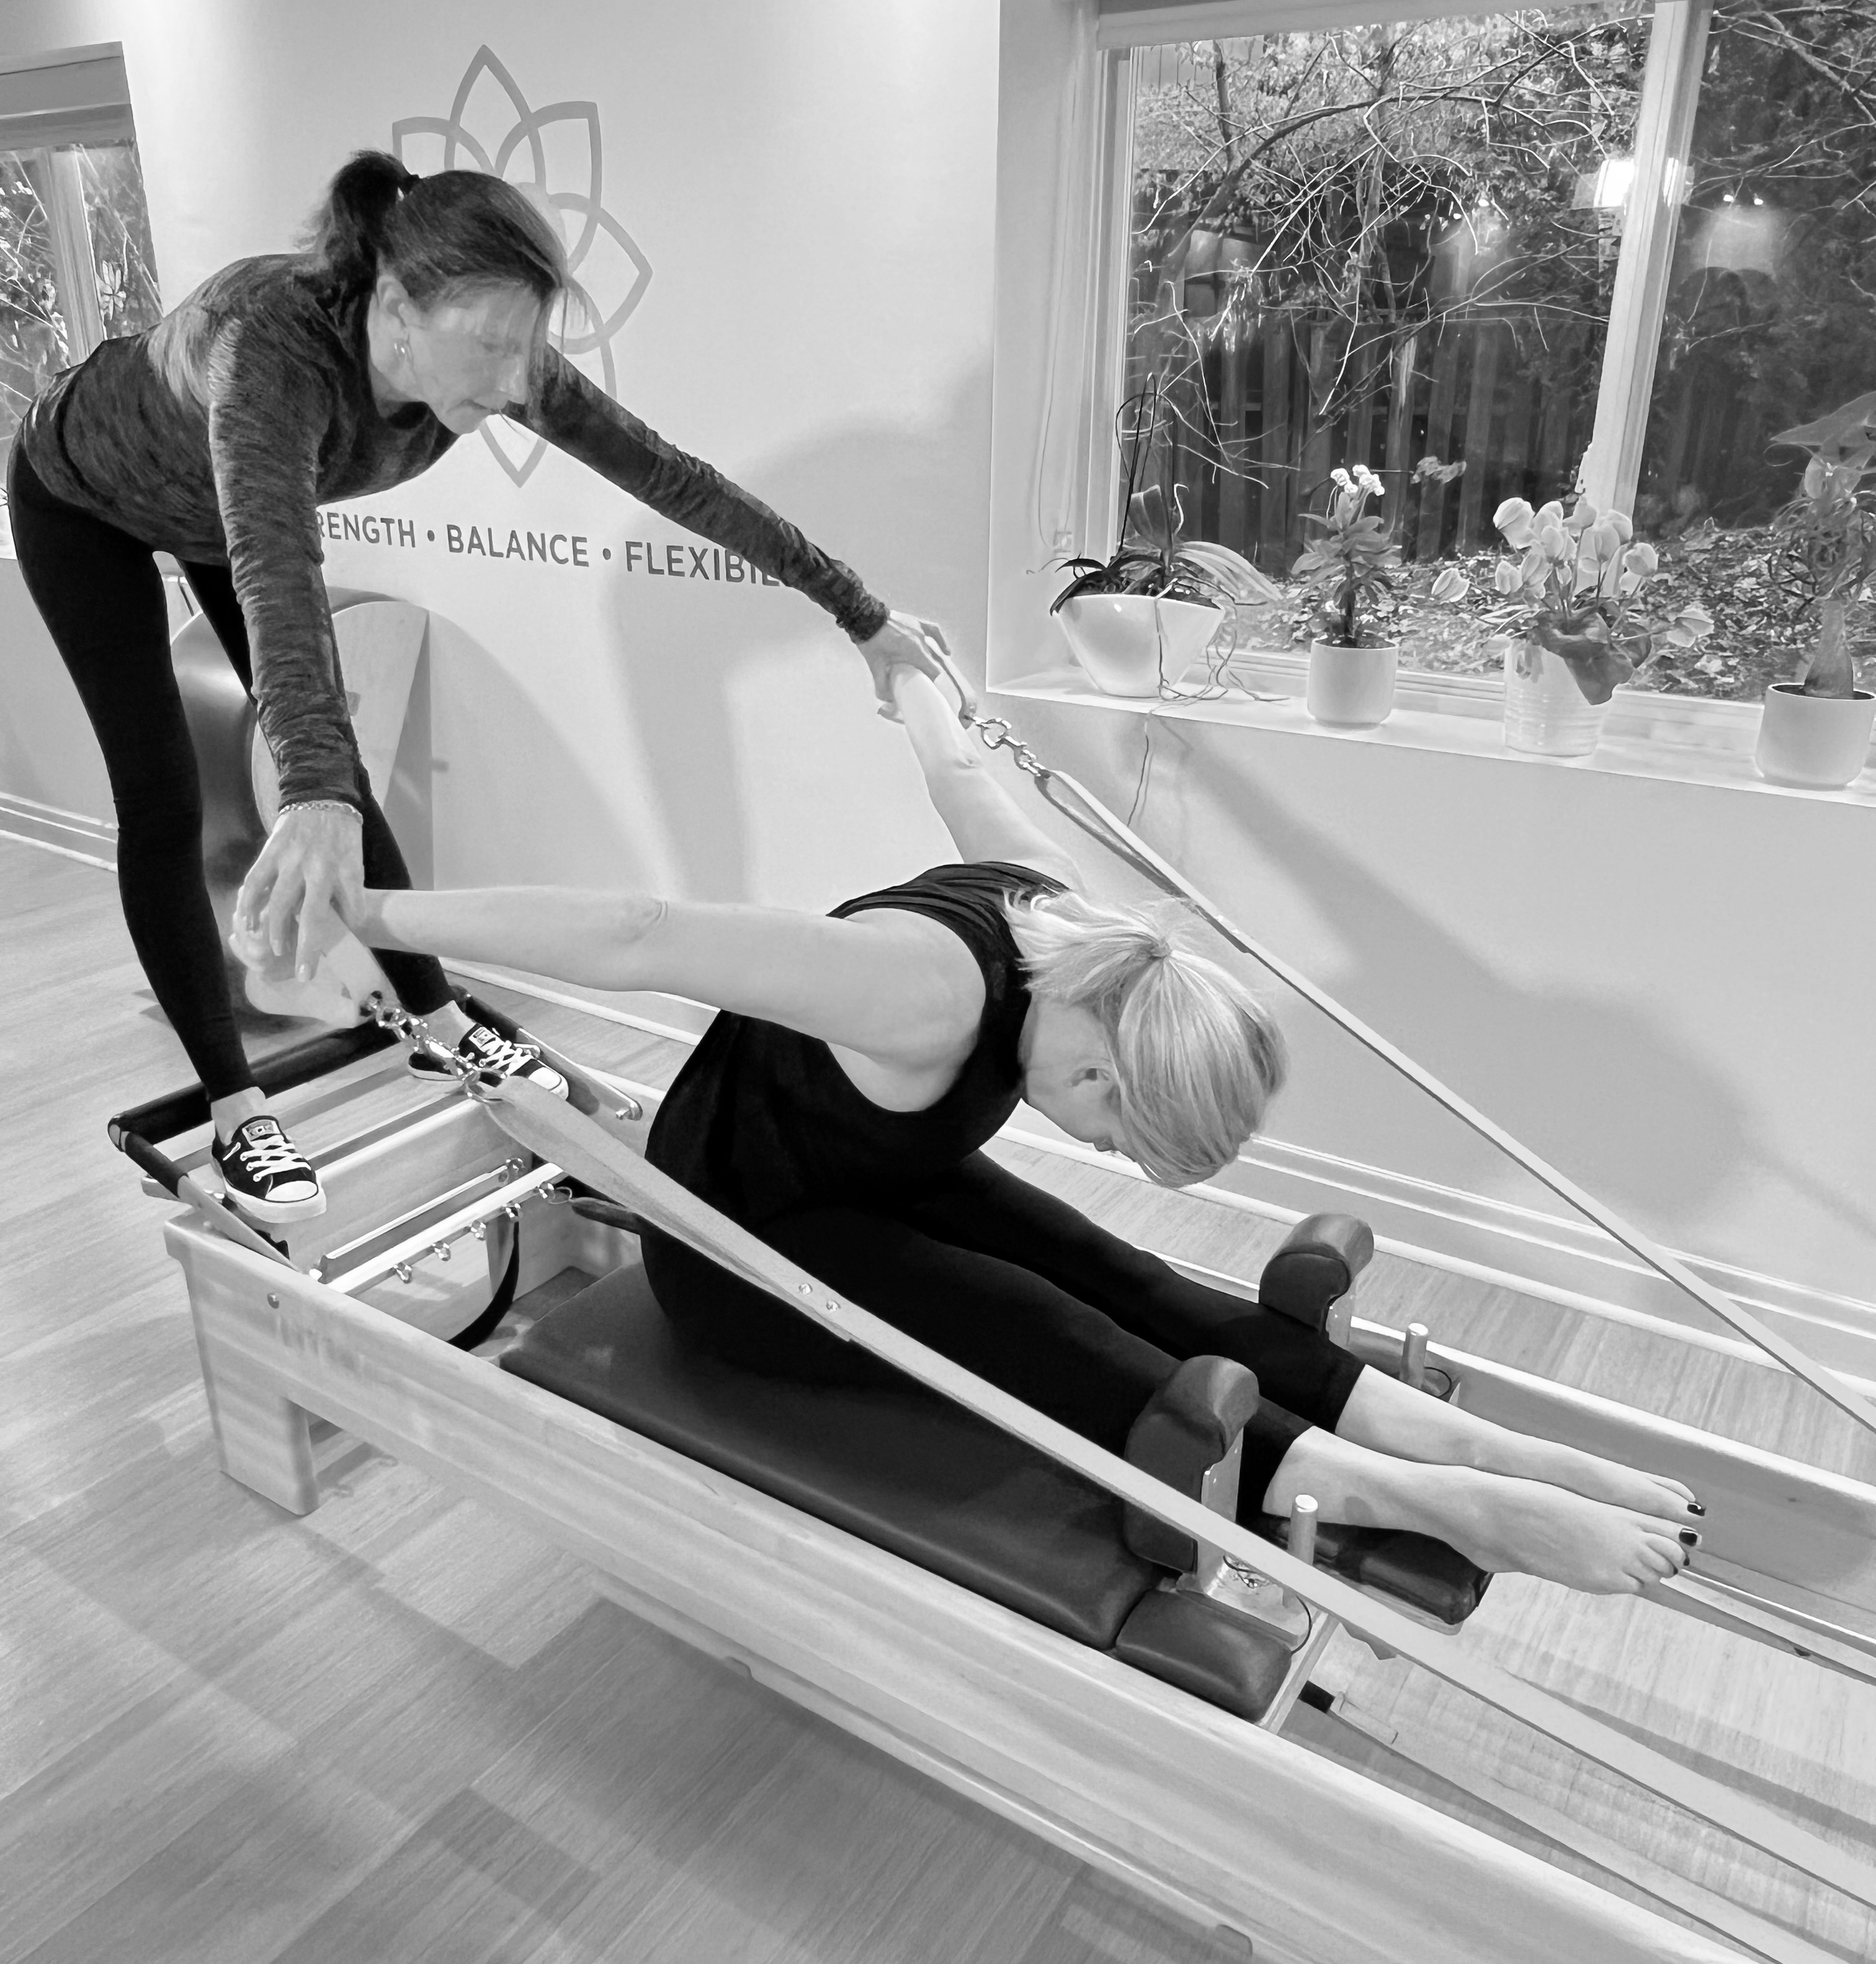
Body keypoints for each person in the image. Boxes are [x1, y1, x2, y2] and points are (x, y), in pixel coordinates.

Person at [339, 667, 1705, 1597]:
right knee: (1050, 1326)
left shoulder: (1066, 922)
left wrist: (907, 667)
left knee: (1132, 1276)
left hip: (872, 1187)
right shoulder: (922, 991)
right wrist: (383, 922)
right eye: (1114, 1134)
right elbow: (639, 936)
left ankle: (1482, 1450)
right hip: (746, 1259)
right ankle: (1436, 1501)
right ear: (1112, 1067)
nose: (1094, 1144)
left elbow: (953, 761)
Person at [9, 151, 936, 1224]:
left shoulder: (493, 348)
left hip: (220, 512)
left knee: (336, 777)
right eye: (492, 349)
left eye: (526, 349)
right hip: (84, 502)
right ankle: (236, 1107)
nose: (511, 384)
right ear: (397, 307)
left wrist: (860, 613)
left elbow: (677, 481)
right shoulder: (272, 346)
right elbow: (278, 565)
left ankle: (438, 1024)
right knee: (165, 796)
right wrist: (307, 797)